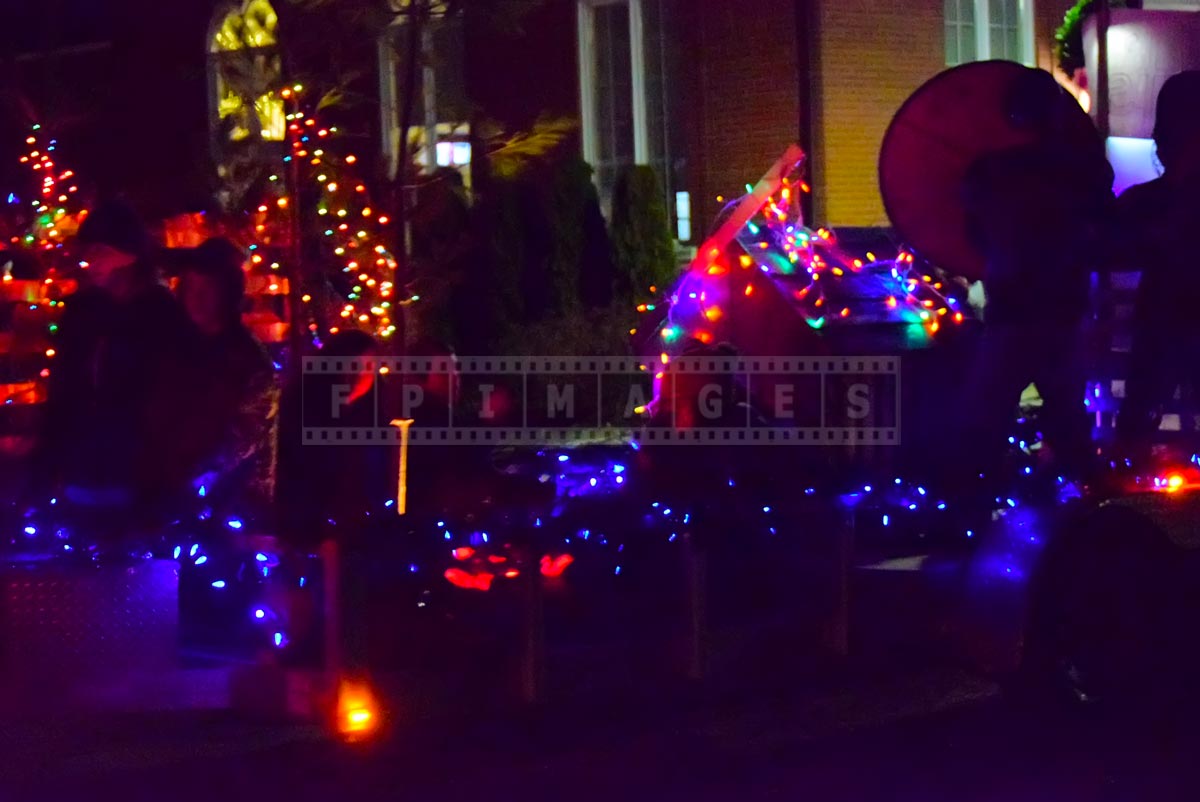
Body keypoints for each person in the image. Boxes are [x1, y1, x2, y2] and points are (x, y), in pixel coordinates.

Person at [956, 134, 1113, 480]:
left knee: (984, 419)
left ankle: (972, 509)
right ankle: (1088, 505)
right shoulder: (1077, 167)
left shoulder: (991, 170)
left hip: (1018, 313)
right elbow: (1101, 227)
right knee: (1066, 419)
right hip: (1058, 313)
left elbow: (971, 228)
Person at [35, 199, 189, 516]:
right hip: (82, 459)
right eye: (88, 252)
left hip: (138, 466)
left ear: (127, 256)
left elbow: (169, 393)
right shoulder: (83, 311)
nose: (90, 263)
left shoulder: (160, 314)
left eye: (100, 252)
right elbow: (64, 387)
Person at [148, 237, 276, 509]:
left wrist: (203, 476)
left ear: (227, 293)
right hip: (162, 486)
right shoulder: (170, 346)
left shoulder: (247, 356)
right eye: (191, 288)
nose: (197, 299)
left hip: (223, 494)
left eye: (208, 289)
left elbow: (250, 430)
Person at [1116, 71, 1200, 453]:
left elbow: (1109, 247)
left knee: (1140, 403)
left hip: (1161, 323)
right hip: (1162, 324)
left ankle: (1128, 465)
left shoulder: (1147, 201)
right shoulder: (1148, 201)